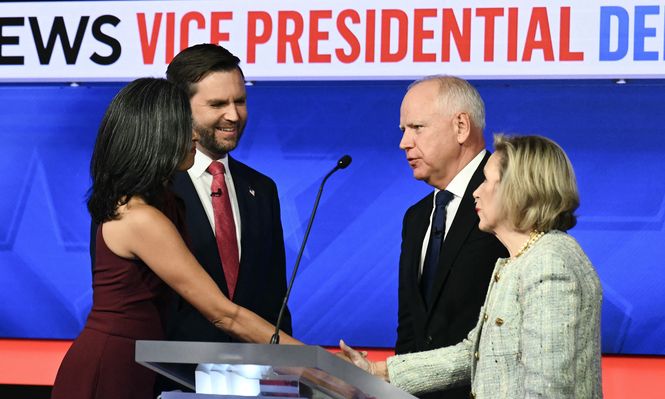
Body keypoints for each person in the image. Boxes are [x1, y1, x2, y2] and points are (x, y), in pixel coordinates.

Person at [52, 78, 300, 399]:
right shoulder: (140, 217)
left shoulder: (159, 203)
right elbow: (224, 314)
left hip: (139, 365)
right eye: (184, 128)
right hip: (112, 368)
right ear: (157, 136)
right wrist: (315, 360)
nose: (195, 136)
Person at [340, 134, 603, 398]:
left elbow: (548, 389)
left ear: (517, 189)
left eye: (487, 181)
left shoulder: (548, 263)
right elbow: (473, 353)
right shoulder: (516, 261)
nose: (476, 191)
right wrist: (375, 371)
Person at [164, 43, 292, 344]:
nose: (233, 115)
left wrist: (288, 370)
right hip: (169, 375)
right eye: (218, 104)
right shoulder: (152, 187)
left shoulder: (262, 189)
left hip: (252, 378)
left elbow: (275, 300)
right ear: (181, 108)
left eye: (240, 101)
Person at [395, 76, 507, 398]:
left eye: (416, 128)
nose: (404, 142)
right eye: (403, 130)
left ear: (461, 126)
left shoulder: (509, 197)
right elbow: (410, 328)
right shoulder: (415, 219)